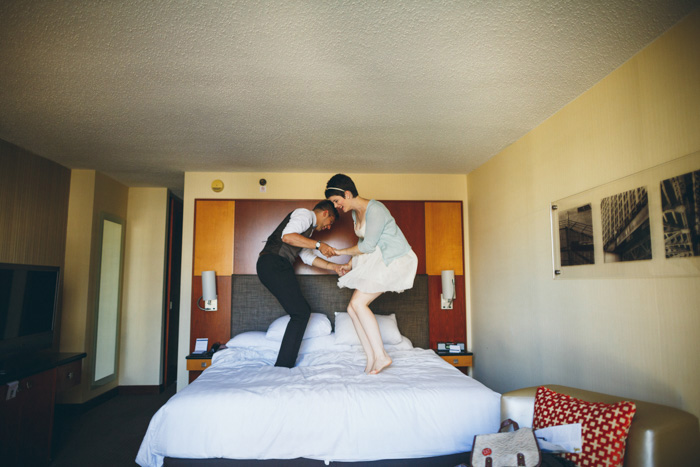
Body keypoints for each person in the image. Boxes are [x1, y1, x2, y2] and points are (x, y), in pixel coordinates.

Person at [324, 174, 418, 374]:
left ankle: (382, 355)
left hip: (394, 259)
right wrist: (350, 263)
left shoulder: (376, 209)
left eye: (336, 201)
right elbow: (363, 245)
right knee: (351, 308)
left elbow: (367, 246)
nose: (337, 206)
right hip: (379, 258)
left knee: (358, 304)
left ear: (347, 194)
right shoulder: (354, 214)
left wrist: (339, 252)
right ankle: (372, 359)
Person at [257, 200, 342, 368]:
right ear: (325, 213)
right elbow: (287, 237)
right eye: (330, 222)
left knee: (301, 312)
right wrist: (320, 245)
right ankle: (283, 365)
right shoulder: (304, 214)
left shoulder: (306, 234)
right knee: (301, 313)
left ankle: (284, 363)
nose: (328, 227)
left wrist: (334, 267)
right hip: (274, 263)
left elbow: (307, 257)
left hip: (274, 265)